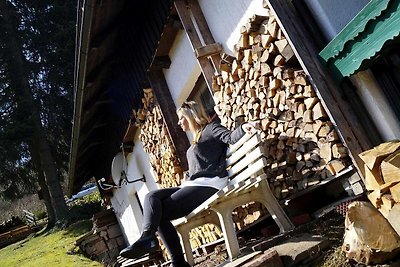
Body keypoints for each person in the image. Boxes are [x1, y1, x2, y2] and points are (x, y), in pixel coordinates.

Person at [119, 101, 259, 267]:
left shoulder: (210, 129)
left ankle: (175, 260)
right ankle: (148, 238)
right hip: (195, 185)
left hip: (209, 185)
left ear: (191, 116)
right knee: (151, 196)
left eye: (181, 118)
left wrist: (244, 127)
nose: (179, 122)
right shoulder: (197, 138)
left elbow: (230, 137)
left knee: (160, 213)